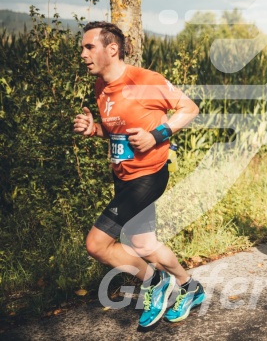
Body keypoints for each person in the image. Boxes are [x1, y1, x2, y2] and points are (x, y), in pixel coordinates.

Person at [73, 21, 203, 327]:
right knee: (144, 245)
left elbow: (190, 108)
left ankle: (155, 282)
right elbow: (116, 128)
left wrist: (157, 135)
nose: (82, 54)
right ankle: (189, 287)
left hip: (149, 175)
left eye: (89, 46)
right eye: (82, 47)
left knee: (97, 244)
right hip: (124, 176)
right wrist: (95, 129)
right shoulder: (101, 87)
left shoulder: (143, 80)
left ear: (112, 49)